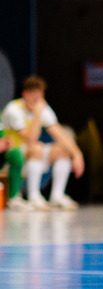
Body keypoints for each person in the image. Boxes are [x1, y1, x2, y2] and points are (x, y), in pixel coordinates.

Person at [1, 75, 85, 211]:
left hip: (31, 154)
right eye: (33, 94)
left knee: (62, 150)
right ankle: (34, 195)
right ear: (25, 94)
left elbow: (59, 133)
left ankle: (57, 196)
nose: (36, 99)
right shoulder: (14, 109)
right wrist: (38, 115)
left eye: (39, 95)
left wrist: (77, 154)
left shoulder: (42, 108)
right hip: (12, 154)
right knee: (36, 147)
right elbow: (31, 139)